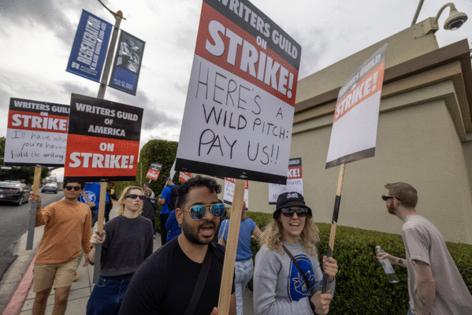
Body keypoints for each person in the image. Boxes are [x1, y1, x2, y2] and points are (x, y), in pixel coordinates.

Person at [119, 176, 236, 315]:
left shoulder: (224, 259)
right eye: (198, 210)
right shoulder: (152, 273)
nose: (210, 217)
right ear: (179, 216)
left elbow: (231, 309)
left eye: (216, 209)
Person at [377, 182, 472, 315]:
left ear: (396, 201)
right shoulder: (423, 222)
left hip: (435, 310)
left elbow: (426, 280)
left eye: (385, 198)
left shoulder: (411, 229)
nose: (385, 202)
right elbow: (427, 265)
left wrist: (421, 312)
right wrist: (395, 260)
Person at [253, 192, 338, 315]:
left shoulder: (309, 248)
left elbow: (319, 291)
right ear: (279, 218)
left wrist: (329, 279)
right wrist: (310, 305)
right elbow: (263, 310)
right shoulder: (269, 253)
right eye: (288, 211)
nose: (295, 216)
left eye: (301, 211)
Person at [86, 186, 154, 315]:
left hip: (134, 283)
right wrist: (96, 245)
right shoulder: (111, 225)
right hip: (108, 283)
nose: (138, 200)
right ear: (123, 200)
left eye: (141, 197)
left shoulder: (147, 225)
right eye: (133, 196)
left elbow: (147, 258)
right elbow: (92, 260)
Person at [31, 179, 92, 315]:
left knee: (62, 297)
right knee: (41, 297)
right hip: (46, 259)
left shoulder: (85, 209)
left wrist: (88, 252)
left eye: (76, 188)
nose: (72, 190)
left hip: (70, 260)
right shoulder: (53, 207)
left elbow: (86, 235)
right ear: (64, 189)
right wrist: (36, 207)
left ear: (81, 191)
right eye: (69, 187)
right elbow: (38, 221)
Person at [218, 202, 262, 315]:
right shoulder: (250, 223)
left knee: (237, 300)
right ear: (245, 210)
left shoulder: (226, 223)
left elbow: (220, 246)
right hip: (249, 266)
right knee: (240, 295)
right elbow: (263, 238)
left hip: (234, 267)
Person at [158, 177, 175, 245]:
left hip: (165, 212)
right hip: (174, 212)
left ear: (167, 181)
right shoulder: (176, 188)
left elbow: (162, 202)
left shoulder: (166, 189)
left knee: (164, 232)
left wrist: (159, 199)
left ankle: (164, 247)